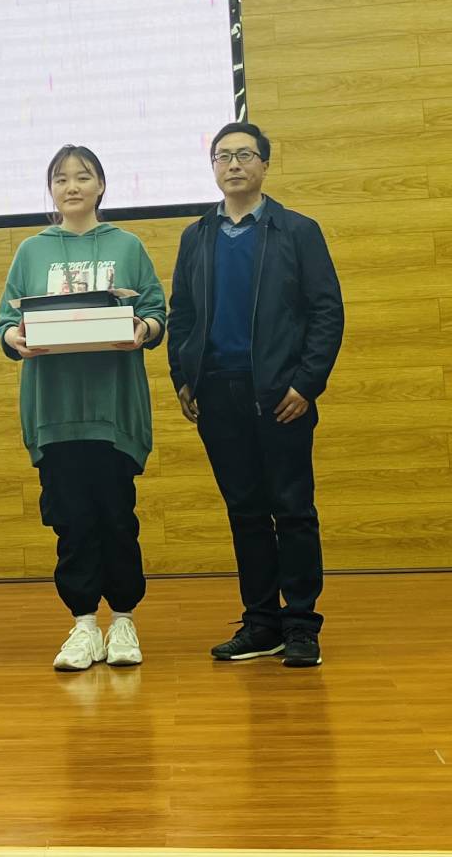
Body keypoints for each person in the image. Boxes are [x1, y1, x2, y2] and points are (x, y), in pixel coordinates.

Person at [168, 121, 344, 668]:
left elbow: (326, 312)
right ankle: (261, 623)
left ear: (265, 164)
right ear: (213, 168)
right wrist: (183, 375)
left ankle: (302, 624)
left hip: (281, 395)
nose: (234, 164)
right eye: (223, 156)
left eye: (245, 155)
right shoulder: (197, 236)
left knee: (293, 510)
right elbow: (182, 313)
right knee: (245, 512)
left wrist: (306, 383)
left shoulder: (297, 231)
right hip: (217, 393)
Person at [0, 145, 166, 672]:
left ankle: (124, 621)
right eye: (61, 178)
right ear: (51, 189)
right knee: (71, 521)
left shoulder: (128, 245)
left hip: (113, 410)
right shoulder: (31, 251)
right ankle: (84, 625)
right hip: (55, 411)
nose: (71, 186)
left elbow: (156, 312)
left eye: (83, 176)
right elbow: (6, 323)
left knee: (117, 516)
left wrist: (143, 328)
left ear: (101, 186)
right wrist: (15, 338)